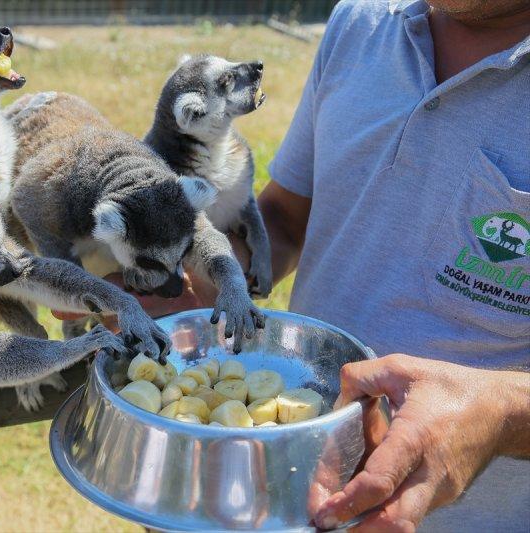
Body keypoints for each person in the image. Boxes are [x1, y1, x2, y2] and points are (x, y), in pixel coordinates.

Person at [57, 0, 530, 530]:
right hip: (284, 489)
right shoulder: (363, 21)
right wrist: (203, 284)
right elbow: (286, 218)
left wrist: (503, 412)